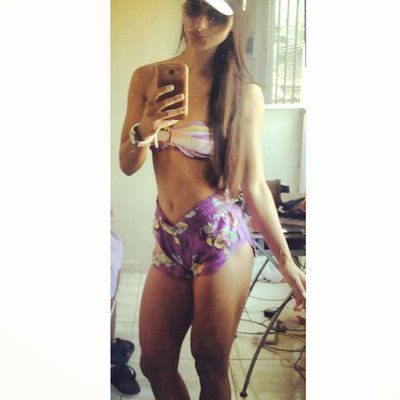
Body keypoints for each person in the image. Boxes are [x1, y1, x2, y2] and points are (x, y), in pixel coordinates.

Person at [119, 1, 306, 399]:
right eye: (194, 9)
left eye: (216, 16)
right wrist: (145, 128)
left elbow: (254, 184)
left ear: (234, 21)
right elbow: (127, 164)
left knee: (209, 362)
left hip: (221, 240)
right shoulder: (147, 77)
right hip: (168, 239)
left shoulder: (243, 93)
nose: (201, 24)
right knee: (155, 362)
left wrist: (286, 261)